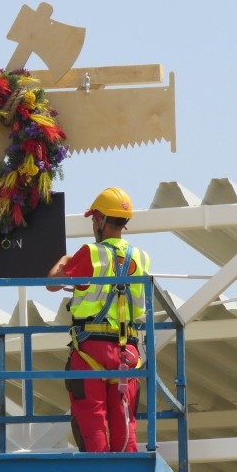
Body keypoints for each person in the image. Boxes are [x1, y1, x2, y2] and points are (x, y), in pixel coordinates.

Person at [47, 187, 151, 452]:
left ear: (102, 220)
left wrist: (65, 260)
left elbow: (52, 284)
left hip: (91, 348)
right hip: (127, 351)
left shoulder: (90, 254)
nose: (93, 224)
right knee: (124, 421)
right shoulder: (141, 258)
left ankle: (99, 469)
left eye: (94, 219)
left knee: (92, 420)